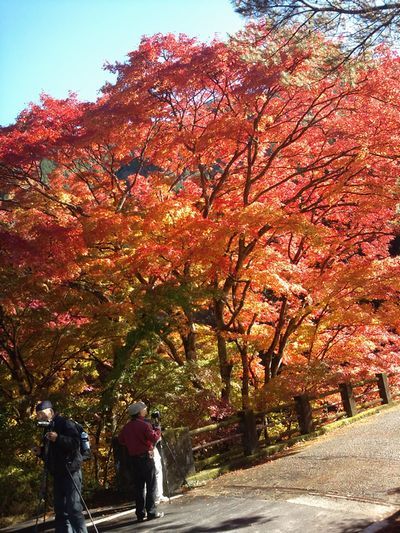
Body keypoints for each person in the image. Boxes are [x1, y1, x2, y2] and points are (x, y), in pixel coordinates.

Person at [32, 400, 88, 533]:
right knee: (60, 510)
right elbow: (51, 454)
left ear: (50, 412)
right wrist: (40, 453)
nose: (39, 417)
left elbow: (75, 444)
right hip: (57, 473)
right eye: (38, 415)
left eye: (41, 414)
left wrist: (58, 438)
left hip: (71, 471)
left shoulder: (65, 423)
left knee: (74, 508)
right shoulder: (47, 428)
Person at [118, 401, 164, 523]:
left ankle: (140, 513)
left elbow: (121, 440)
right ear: (139, 412)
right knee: (151, 485)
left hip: (133, 460)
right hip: (145, 458)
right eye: (144, 409)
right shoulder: (144, 425)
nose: (145, 410)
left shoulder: (126, 427)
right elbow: (154, 437)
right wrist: (158, 429)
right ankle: (151, 512)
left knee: (138, 488)